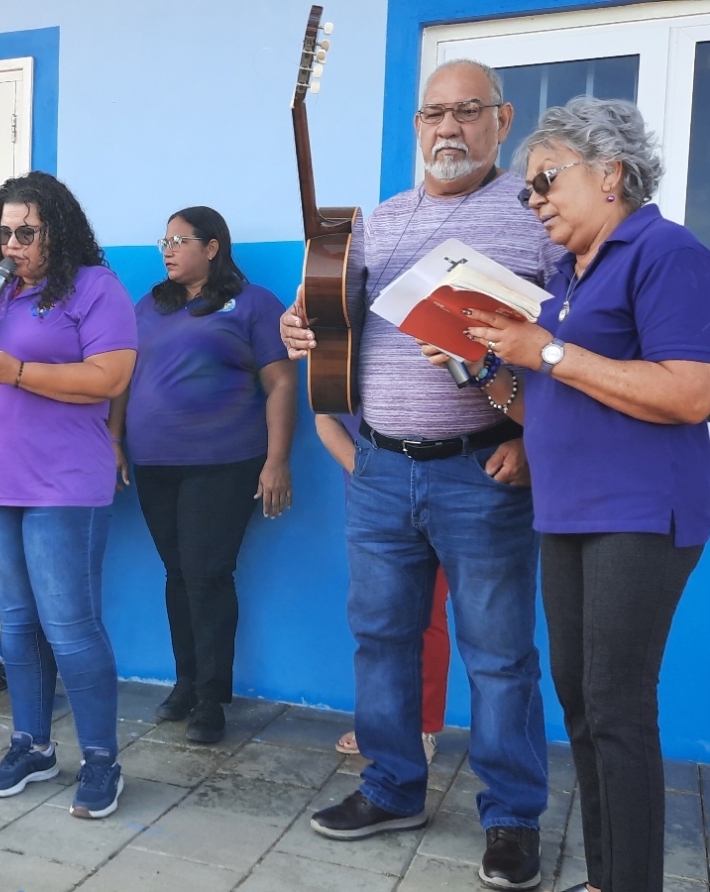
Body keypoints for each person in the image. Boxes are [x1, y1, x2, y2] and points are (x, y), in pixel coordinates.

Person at [281, 59, 561, 891]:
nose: (449, 128)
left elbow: (572, 350)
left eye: (467, 112)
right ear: (416, 126)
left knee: (501, 657)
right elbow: (331, 322)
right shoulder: (377, 223)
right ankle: (393, 787)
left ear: (501, 121)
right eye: (434, 113)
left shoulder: (538, 218)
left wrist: (535, 444)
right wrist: (304, 321)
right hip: (381, 470)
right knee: (382, 642)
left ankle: (511, 818)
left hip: (483, 472)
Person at [434, 97, 710, 892]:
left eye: (546, 180)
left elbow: (690, 392)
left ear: (610, 172)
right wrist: (482, 367)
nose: (535, 201)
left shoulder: (666, 252)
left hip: (640, 513)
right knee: (582, 702)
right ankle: (604, 876)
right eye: (528, 190)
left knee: (617, 706)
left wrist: (545, 349)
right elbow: (546, 402)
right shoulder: (566, 276)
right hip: (567, 511)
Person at [0, 171, 136, 819]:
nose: (13, 244)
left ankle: (101, 760)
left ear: (57, 229)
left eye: (26, 232)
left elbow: (109, 377)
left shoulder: (96, 288)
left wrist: (17, 371)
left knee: (71, 625)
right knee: (18, 623)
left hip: (64, 483)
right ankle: (31, 745)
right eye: (3, 233)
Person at [107, 206, 295, 744]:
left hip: (222, 464)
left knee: (208, 575)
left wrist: (276, 460)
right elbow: (122, 379)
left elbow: (281, 385)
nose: (166, 250)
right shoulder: (150, 305)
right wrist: (115, 439)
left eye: (179, 240)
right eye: (162, 241)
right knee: (177, 573)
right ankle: (186, 682)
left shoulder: (253, 304)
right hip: (155, 464)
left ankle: (212, 698)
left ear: (212, 247)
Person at [319, 415, 450, 765]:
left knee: (428, 613)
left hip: (452, 490)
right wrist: (368, 475)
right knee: (378, 620)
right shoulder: (344, 358)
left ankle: (422, 728)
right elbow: (325, 416)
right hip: (373, 501)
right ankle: (380, 726)